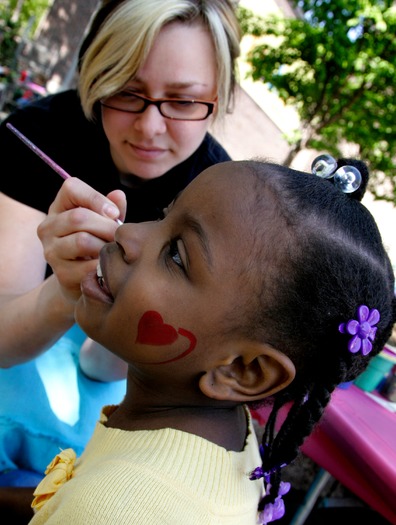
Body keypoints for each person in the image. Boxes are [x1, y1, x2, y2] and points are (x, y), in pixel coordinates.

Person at [26, 155, 396, 524]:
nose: (127, 233)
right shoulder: (234, 437)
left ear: (243, 370)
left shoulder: (112, 510)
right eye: (164, 213)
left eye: (175, 255)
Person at [0, 0, 241, 485]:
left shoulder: (220, 194)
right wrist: (65, 291)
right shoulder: (40, 135)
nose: (150, 128)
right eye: (127, 93)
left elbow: (108, 368)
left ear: (220, 96)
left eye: (184, 101)